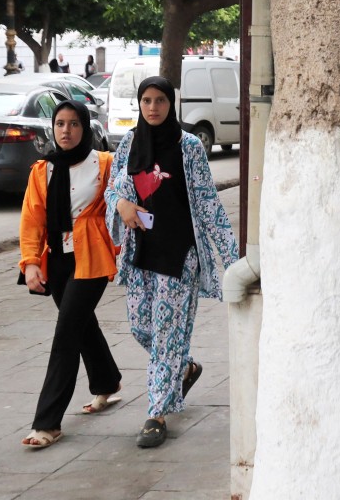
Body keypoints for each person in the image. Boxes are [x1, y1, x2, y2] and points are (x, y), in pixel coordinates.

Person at [105, 76, 237, 448]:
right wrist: (122, 204)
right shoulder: (131, 143)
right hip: (142, 253)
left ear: (170, 103)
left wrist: (232, 260)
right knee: (140, 327)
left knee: (165, 337)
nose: (152, 107)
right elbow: (113, 186)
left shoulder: (189, 146)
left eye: (160, 100)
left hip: (180, 255)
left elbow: (208, 203)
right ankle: (186, 367)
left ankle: (156, 414)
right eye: (146, 100)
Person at [17, 99, 122, 449]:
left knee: (65, 334)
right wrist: (31, 261)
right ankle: (108, 382)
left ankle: (47, 423)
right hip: (58, 261)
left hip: (91, 258)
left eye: (74, 124)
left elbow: (123, 201)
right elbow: (32, 219)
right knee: (81, 325)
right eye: (60, 124)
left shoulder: (104, 164)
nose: (66, 131)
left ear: (85, 127)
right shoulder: (42, 170)